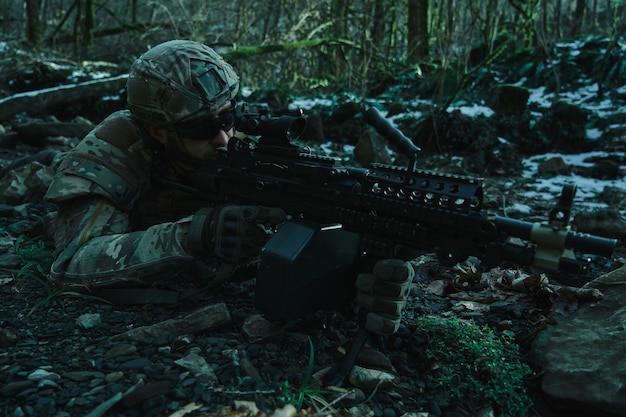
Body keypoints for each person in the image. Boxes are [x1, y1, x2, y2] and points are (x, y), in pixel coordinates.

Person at [44, 39, 412, 335]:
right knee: (27, 180)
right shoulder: (116, 146)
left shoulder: (245, 144)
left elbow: (321, 201)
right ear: (157, 129)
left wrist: (361, 271)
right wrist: (192, 235)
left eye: (228, 116)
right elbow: (72, 266)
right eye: (199, 127)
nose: (222, 136)